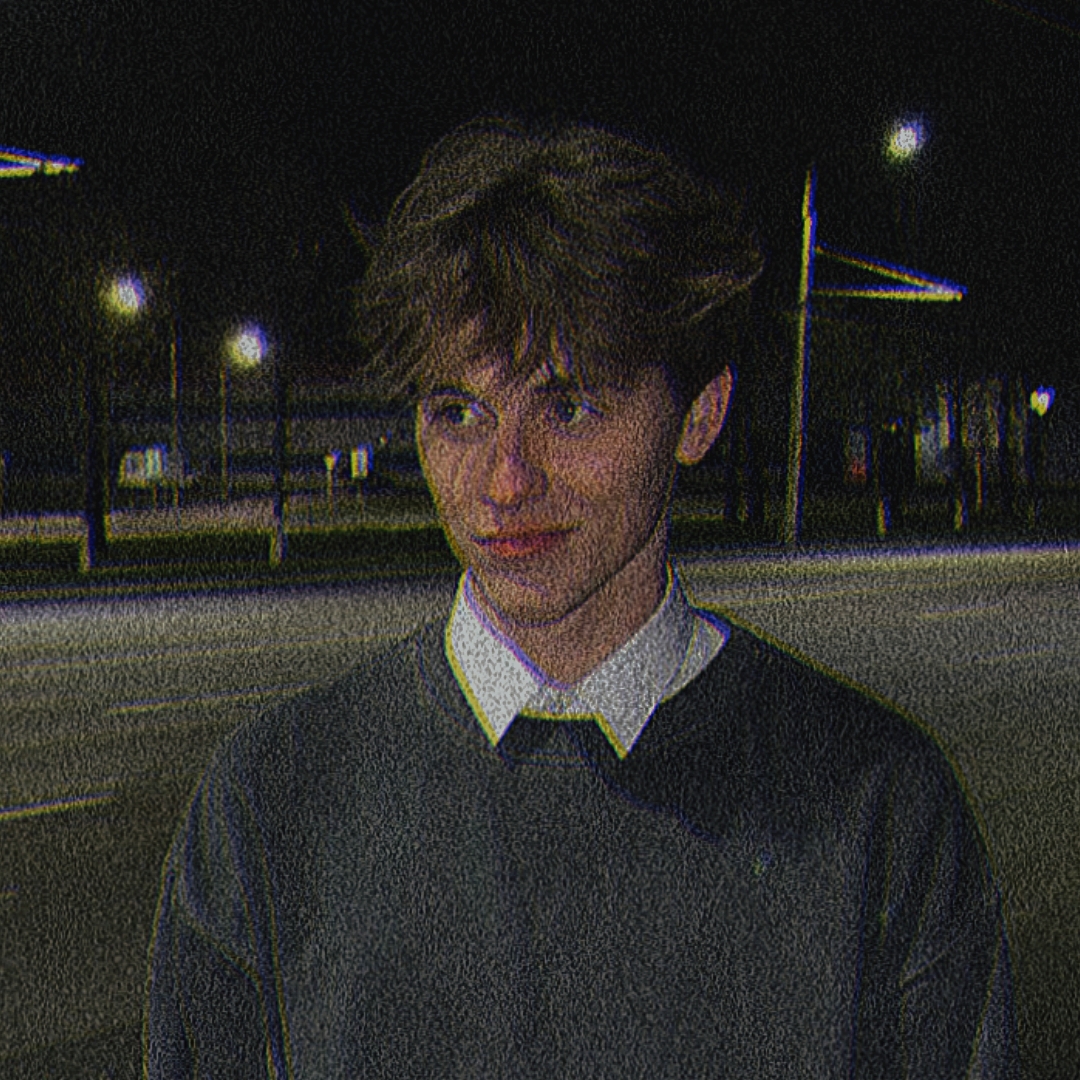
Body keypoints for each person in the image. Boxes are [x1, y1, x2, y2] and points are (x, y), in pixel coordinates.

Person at [144, 116, 1019, 1078]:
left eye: (568, 407)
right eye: (458, 412)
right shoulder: (271, 800)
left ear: (700, 413)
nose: (505, 478)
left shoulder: (878, 805)